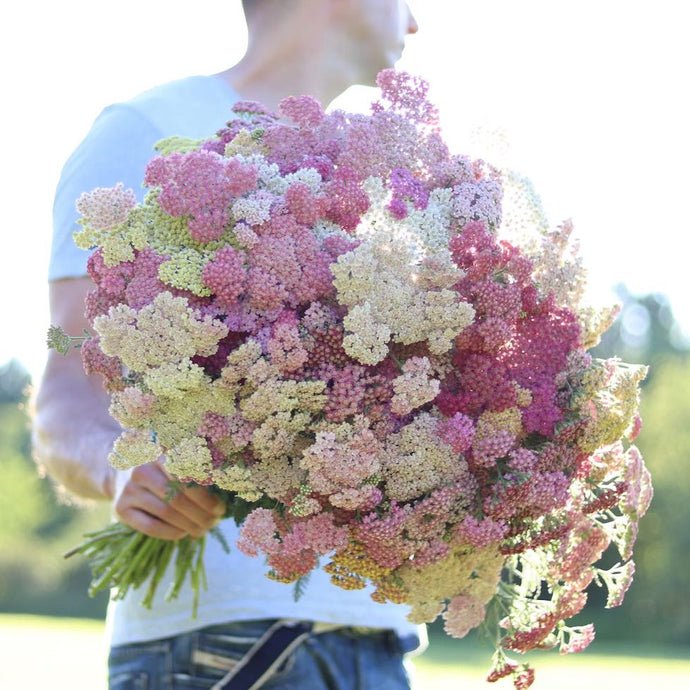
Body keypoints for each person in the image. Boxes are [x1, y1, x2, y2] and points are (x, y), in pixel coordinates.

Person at [33, 1, 422, 688]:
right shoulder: (148, 131)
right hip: (227, 639)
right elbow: (65, 391)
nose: (415, 20)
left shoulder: (392, 174)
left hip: (378, 636)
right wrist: (124, 471)